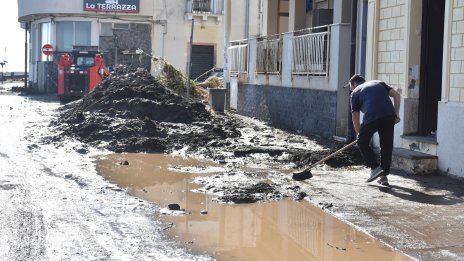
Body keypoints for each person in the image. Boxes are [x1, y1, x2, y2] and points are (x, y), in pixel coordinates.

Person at [348, 74, 401, 186]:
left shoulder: (355, 92)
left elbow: (355, 116)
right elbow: (396, 95)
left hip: (372, 116)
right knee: (386, 146)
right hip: (389, 115)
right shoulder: (378, 83)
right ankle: (383, 177)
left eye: (352, 87)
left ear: (354, 85)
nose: (352, 89)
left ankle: (374, 167)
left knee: (362, 142)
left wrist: (359, 135)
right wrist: (396, 114)